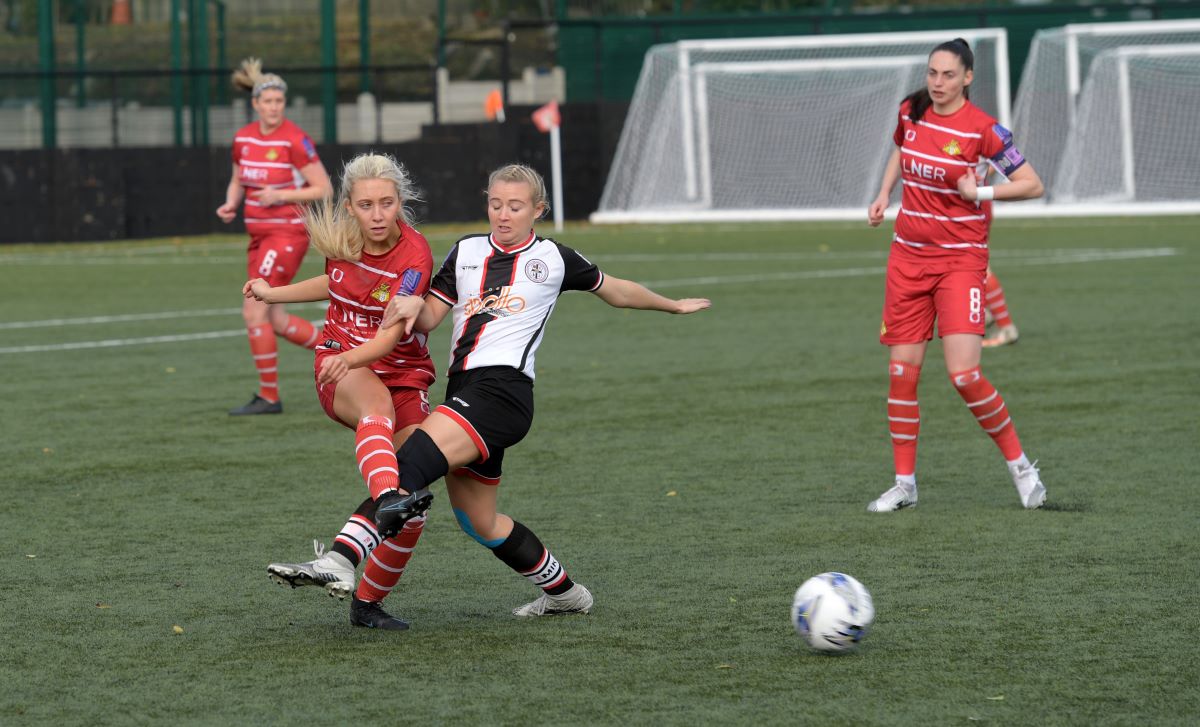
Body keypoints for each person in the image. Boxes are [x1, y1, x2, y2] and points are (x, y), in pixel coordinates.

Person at [365, 163, 710, 623]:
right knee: (479, 522)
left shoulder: (554, 258)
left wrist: (673, 306)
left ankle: (339, 560)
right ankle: (567, 594)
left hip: (501, 391)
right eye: (495, 204)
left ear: (538, 210)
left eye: (515, 206)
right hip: (465, 392)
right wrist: (410, 304)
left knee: (408, 466)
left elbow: (617, 291)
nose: (503, 215)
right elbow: (429, 318)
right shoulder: (465, 252)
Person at [245, 154, 437, 630]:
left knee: (416, 505)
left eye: (387, 203)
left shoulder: (415, 255)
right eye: (366, 204)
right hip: (344, 364)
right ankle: (384, 500)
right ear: (349, 205)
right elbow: (334, 283)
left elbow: (394, 333)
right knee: (376, 409)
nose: (377, 215)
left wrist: (354, 357)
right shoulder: (342, 238)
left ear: (401, 203)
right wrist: (274, 293)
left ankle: (366, 604)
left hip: (403, 371)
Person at [865, 38, 1047, 512]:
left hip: (960, 261)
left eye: (948, 75)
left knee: (964, 375)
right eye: (932, 73)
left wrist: (981, 193)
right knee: (901, 374)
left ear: (968, 77)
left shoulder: (985, 131)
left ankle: (1022, 468)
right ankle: (904, 484)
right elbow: (901, 152)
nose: (938, 83)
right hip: (907, 258)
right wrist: (885, 193)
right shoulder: (912, 109)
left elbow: (1032, 184)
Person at [218, 57, 333, 415]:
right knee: (277, 320)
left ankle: (269, 397)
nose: (273, 107)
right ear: (255, 104)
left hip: (285, 235)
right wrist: (230, 203)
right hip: (258, 237)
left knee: (254, 311)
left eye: (279, 102)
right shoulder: (243, 138)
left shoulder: (294, 140)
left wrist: (280, 195)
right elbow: (239, 177)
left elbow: (323, 188)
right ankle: (344, 355)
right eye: (267, 101)